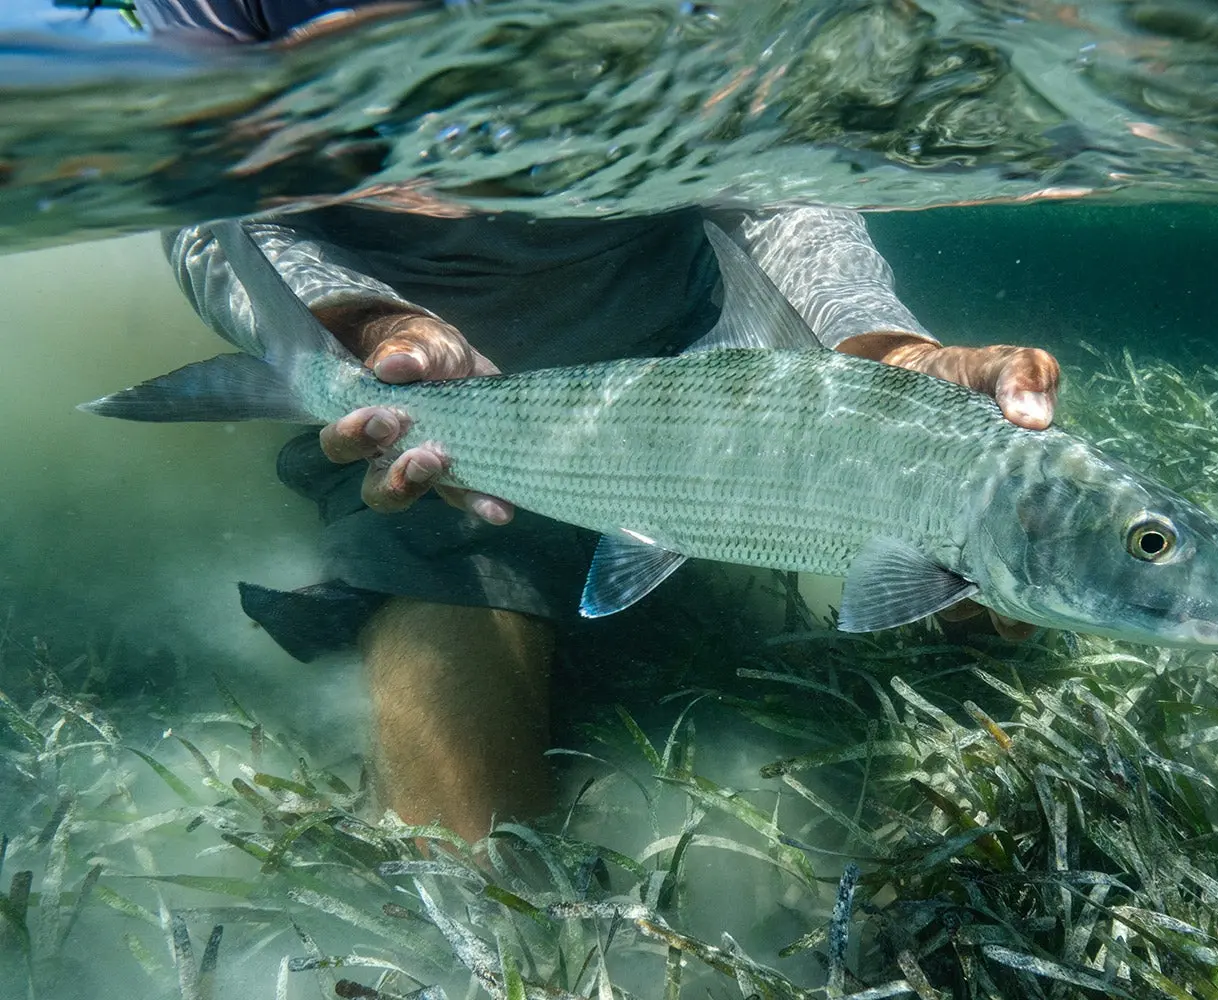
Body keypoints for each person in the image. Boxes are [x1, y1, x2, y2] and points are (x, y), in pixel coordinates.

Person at [134, 0, 1062, 842]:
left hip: (693, 366)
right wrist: (360, 321)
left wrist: (882, 347)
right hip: (432, 411)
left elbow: (772, 169)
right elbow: (208, 201)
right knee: (477, 854)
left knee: (995, 639)